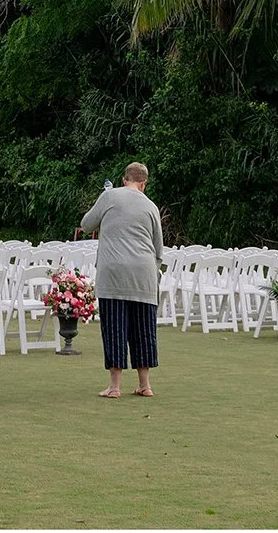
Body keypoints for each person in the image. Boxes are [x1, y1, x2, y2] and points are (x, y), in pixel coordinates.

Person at [78, 161, 165, 399]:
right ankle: (145, 384)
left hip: (113, 272)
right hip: (144, 274)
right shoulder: (151, 206)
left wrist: (103, 199)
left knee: (114, 327)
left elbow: (86, 225)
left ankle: (115, 386)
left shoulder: (109, 196)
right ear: (144, 183)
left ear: (124, 180)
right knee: (144, 329)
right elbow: (159, 248)